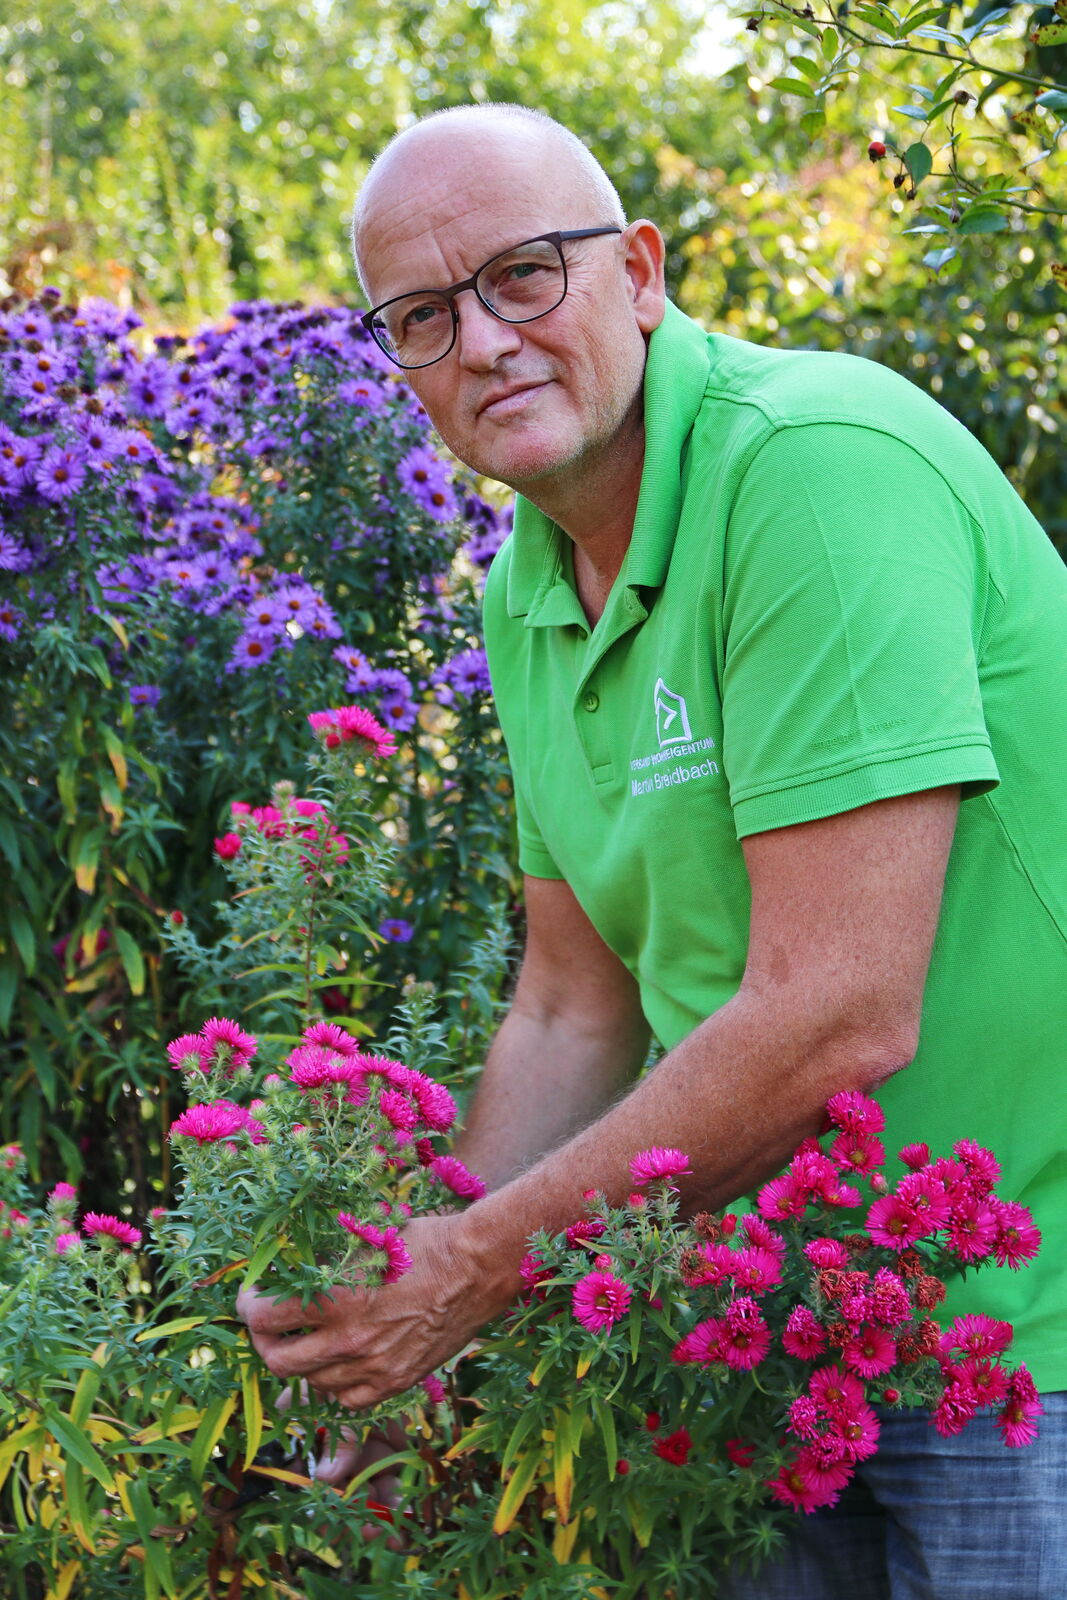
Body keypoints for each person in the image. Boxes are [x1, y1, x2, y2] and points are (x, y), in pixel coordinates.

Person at [238, 104, 1067, 1595]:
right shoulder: (527, 590)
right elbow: (575, 1004)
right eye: (423, 316)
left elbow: (839, 1010)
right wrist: (410, 1317)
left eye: (523, 277)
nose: (483, 342)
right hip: (767, 1352)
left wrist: (480, 1276)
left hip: (1026, 1348)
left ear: (638, 270)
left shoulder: (817, 473)